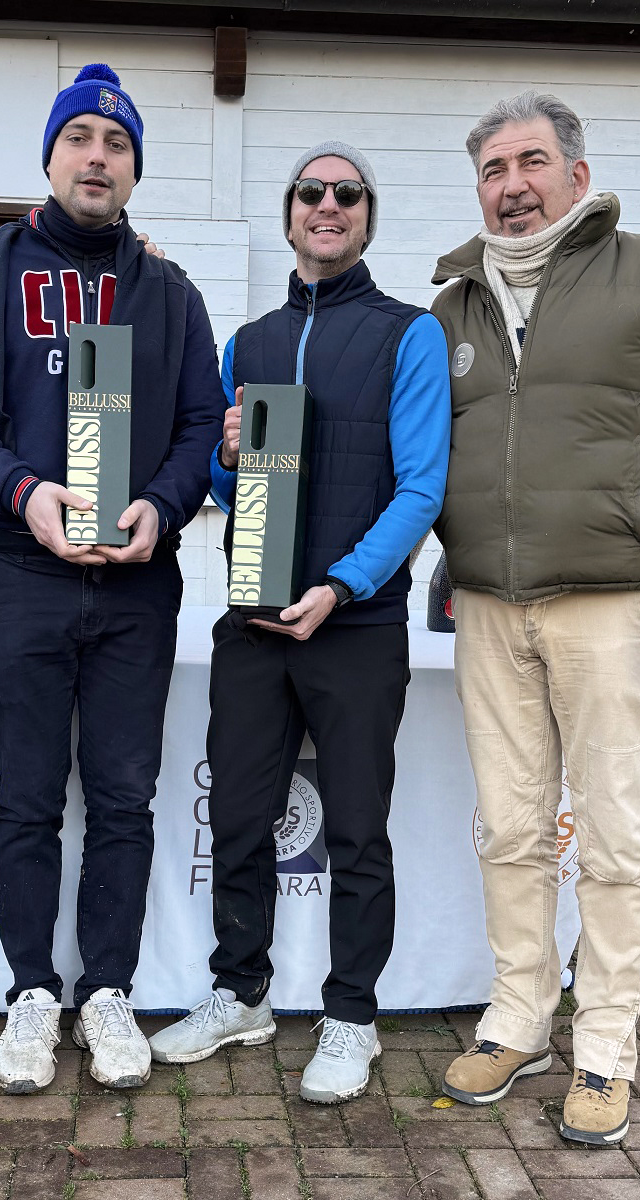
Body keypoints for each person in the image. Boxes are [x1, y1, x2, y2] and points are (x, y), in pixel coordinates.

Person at [429, 91, 640, 1145]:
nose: (512, 186)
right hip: (489, 607)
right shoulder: (450, 307)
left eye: (531, 162)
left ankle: (606, 1046)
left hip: (612, 603)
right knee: (511, 829)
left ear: (577, 175)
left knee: (614, 834)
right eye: (493, 169)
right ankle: (519, 1018)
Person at [0, 63, 223, 1094]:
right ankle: (33, 993)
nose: (98, 156)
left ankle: (110, 993)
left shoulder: (169, 292)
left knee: (126, 798)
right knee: (29, 798)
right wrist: (21, 490)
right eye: (80, 137)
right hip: (21, 574)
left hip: (137, 584)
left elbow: (199, 426)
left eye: (117, 142)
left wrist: (162, 507)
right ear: (50, 156)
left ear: (135, 168)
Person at [148, 143, 450, 1104]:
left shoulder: (410, 335)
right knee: (240, 820)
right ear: (288, 215)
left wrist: (343, 585)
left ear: (367, 216)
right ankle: (239, 994)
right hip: (254, 622)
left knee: (356, 831)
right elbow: (224, 490)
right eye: (311, 192)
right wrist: (229, 457)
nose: (329, 204)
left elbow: (421, 489)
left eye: (348, 193)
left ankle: (351, 1016)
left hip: (354, 624)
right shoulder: (247, 345)